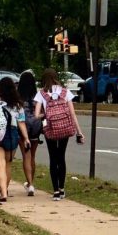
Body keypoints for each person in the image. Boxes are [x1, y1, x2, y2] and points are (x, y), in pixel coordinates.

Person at [34, 68, 85, 201]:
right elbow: (72, 114)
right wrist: (79, 132)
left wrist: (46, 115)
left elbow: (36, 115)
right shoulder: (65, 92)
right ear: (56, 77)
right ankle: (62, 189)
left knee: (53, 157)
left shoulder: (42, 94)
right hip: (64, 128)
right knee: (61, 157)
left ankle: (55, 191)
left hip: (50, 128)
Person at [0, 77, 31, 203]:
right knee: (8, 164)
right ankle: (5, 189)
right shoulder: (17, 104)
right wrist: (26, 138)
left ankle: (3, 192)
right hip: (11, 133)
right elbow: (21, 122)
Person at [17, 70, 42, 196]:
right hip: (36, 126)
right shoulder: (37, 96)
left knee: (25, 156)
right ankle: (31, 183)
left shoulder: (18, 96)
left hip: (23, 127)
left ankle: (30, 183)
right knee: (32, 156)